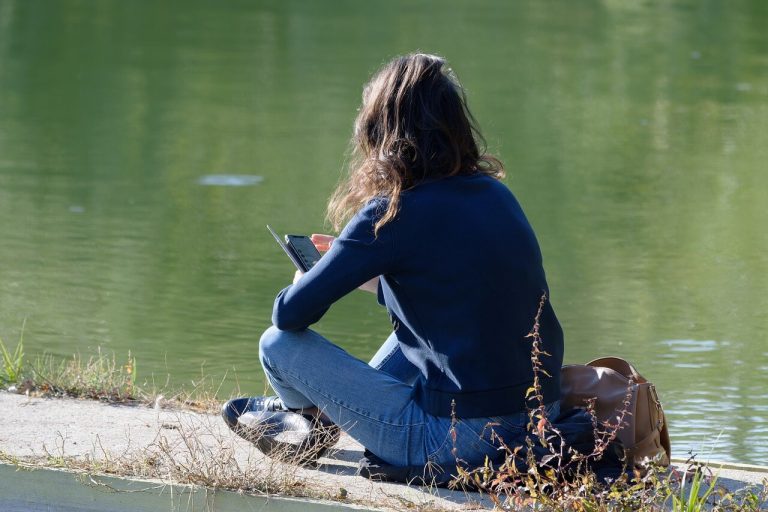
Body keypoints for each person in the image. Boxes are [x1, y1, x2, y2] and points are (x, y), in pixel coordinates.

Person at [236, 53, 564, 477]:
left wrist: (309, 276)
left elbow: (289, 315)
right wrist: (373, 276)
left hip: (455, 440)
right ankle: (322, 417)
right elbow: (455, 294)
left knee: (276, 345)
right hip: (542, 420)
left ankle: (306, 422)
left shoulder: (391, 212)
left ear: (380, 132)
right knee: (424, 327)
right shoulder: (495, 195)